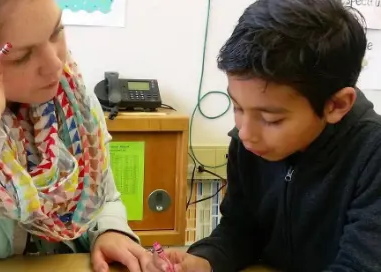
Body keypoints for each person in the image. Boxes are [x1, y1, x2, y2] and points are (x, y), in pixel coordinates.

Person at [0, 0, 151, 271]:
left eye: (56, 31)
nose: (56, 63)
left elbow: (102, 193)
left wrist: (110, 229)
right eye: (21, 56)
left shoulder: (72, 99)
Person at [147, 0, 381, 271]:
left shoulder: (372, 155)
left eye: (271, 119)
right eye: (237, 107)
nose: (245, 133)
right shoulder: (248, 144)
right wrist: (204, 260)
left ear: (336, 105)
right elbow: (241, 229)